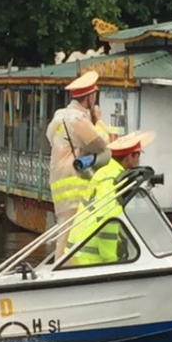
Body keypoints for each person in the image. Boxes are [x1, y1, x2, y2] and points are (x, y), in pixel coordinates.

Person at [64, 130, 155, 266]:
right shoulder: (115, 180)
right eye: (137, 156)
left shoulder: (105, 172)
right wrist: (111, 261)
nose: (138, 161)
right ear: (130, 157)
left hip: (80, 251)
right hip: (92, 258)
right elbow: (107, 222)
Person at [46, 71, 111, 255]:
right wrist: (98, 120)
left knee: (64, 228)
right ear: (90, 97)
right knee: (71, 235)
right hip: (75, 184)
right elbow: (102, 144)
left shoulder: (59, 116)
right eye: (95, 96)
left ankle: (61, 269)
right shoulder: (79, 119)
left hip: (58, 182)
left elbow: (50, 137)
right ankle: (62, 273)